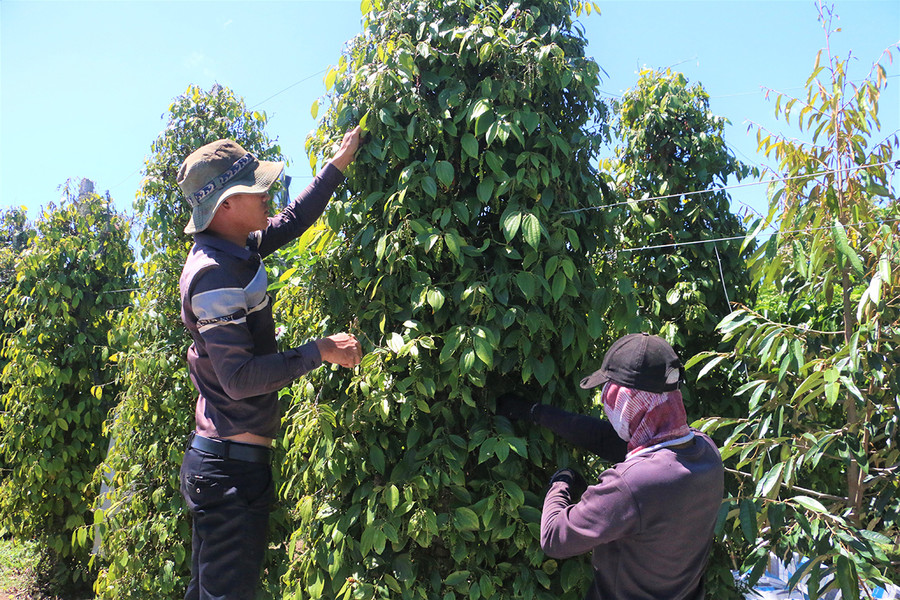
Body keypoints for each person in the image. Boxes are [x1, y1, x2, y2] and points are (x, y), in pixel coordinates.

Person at [176, 128, 364, 600]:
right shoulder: (214, 273)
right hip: (228, 475)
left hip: (230, 465)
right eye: (254, 189)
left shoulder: (237, 247)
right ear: (223, 207)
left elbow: (292, 220)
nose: (266, 193)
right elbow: (239, 381)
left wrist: (336, 165)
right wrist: (318, 351)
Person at [497, 332, 724, 600]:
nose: (605, 403)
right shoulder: (706, 452)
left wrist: (562, 481)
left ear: (628, 400)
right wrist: (536, 412)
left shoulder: (632, 485)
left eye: (610, 396)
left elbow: (554, 537)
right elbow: (608, 439)